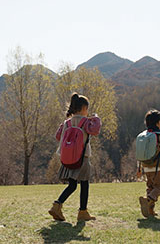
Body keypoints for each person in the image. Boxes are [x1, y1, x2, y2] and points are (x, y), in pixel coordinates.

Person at [48, 93, 101, 222]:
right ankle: (82, 212)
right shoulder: (86, 122)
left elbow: (58, 136)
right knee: (84, 184)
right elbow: (95, 130)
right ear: (83, 108)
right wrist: (96, 118)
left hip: (68, 158)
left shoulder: (67, 123)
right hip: (83, 157)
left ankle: (57, 205)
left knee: (72, 185)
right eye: (87, 109)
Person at [137, 109, 160, 217]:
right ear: (159, 123)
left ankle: (150, 210)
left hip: (146, 167)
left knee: (151, 188)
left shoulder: (143, 137)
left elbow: (139, 153)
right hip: (158, 168)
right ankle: (148, 201)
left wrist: (138, 169)